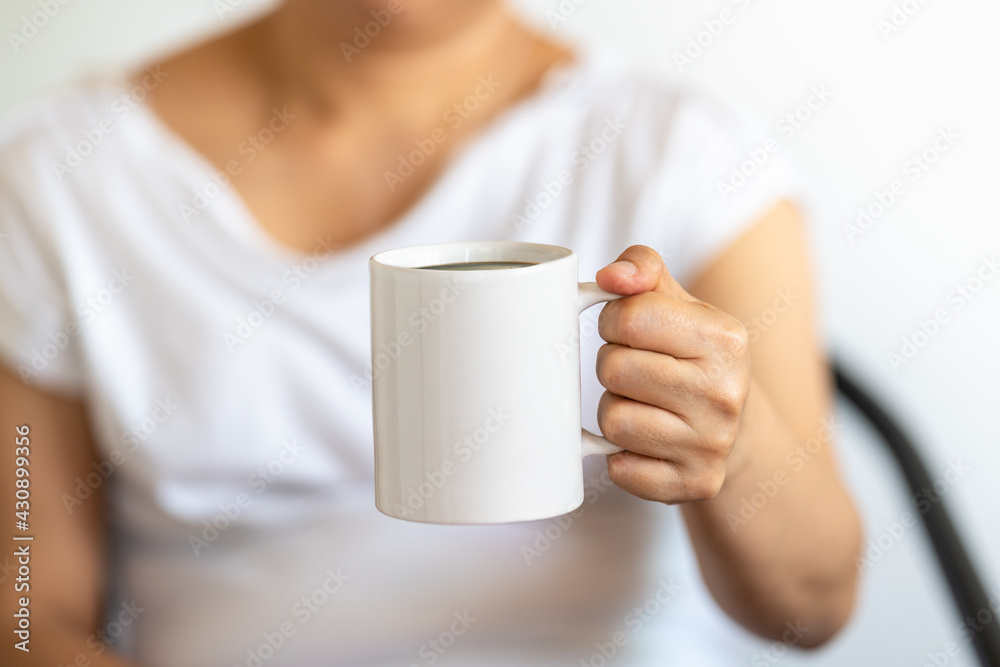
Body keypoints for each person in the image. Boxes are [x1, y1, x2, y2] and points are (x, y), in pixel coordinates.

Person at [0, 1, 862, 665]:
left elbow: (812, 608)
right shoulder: (58, 181)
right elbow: (28, 617)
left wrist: (735, 445)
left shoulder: (683, 155)